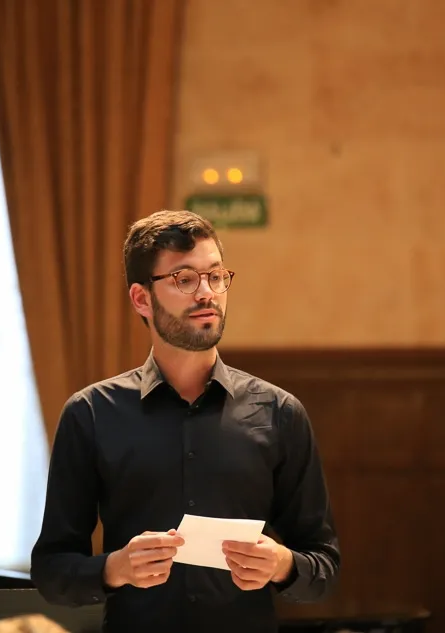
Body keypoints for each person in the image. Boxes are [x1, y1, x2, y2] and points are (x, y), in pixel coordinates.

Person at [30, 210, 340, 633]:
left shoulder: (280, 413)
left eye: (216, 276)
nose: (207, 293)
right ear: (142, 299)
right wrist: (114, 568)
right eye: (184, 279)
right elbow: (51, 570)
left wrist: (283, 564)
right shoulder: (91, 414)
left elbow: (324, 567)